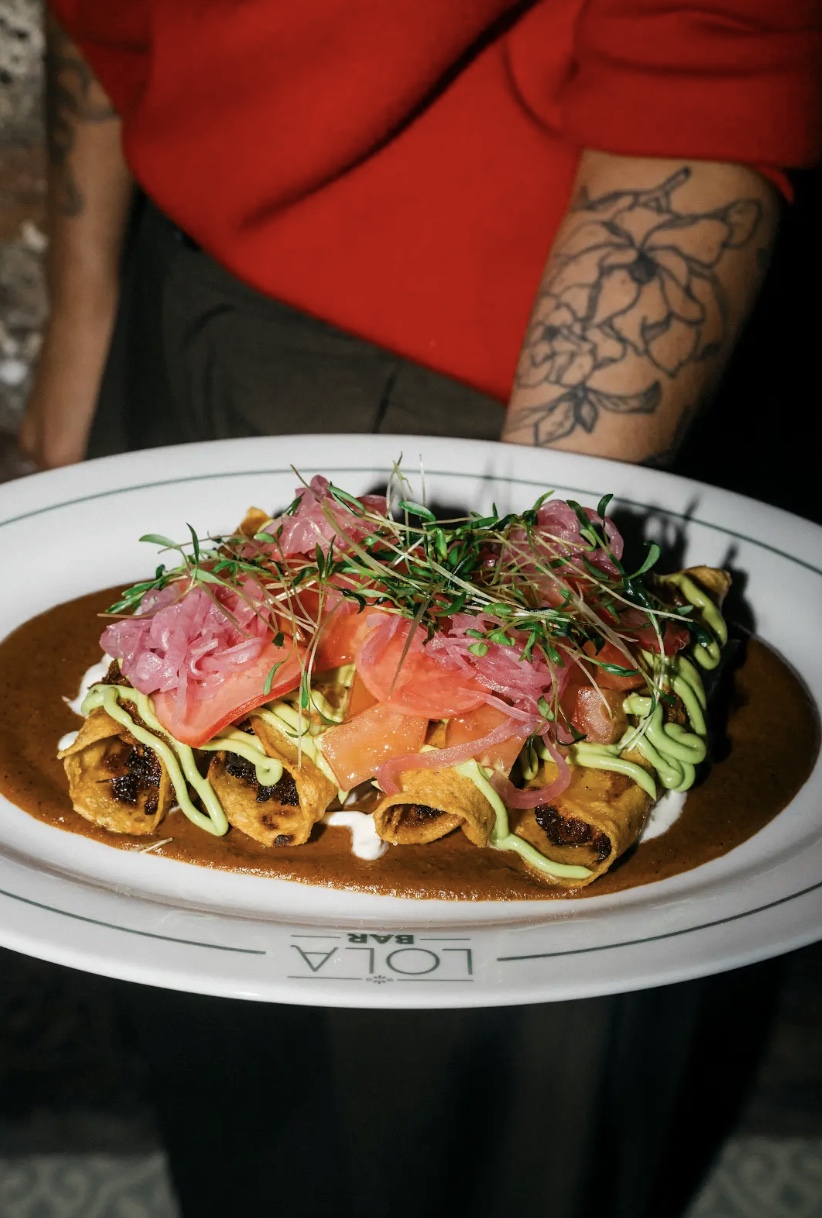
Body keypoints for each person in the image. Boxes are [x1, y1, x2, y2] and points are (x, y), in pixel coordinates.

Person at [10, 5, 822, 1218]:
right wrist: (80, 326)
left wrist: (539, 600)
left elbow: (705, 58)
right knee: (220, 1022)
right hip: (171, 301)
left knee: (473, 1120)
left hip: (504, 393)